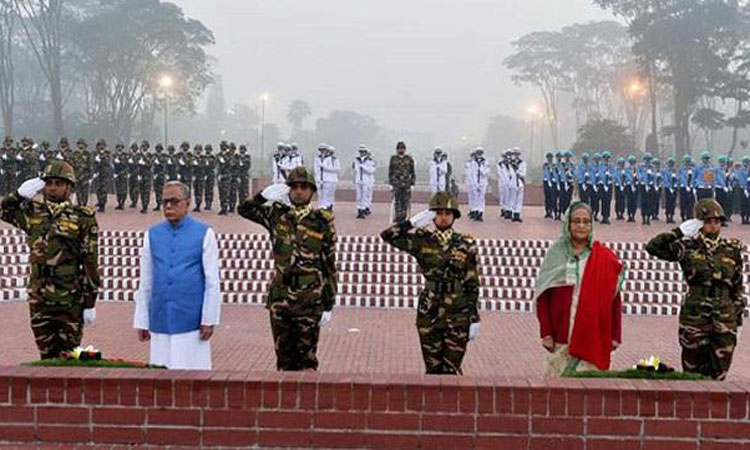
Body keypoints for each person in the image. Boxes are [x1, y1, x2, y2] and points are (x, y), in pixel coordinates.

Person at [238, 166, 337, 371]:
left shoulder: (322, 222)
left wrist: (328, 303)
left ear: (312, 191)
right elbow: (244, 210)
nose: (298, 191)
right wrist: (262, 196)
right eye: (294, 187)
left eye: (304, 187)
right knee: (283, 361)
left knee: (307, 362)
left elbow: (329, 265)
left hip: (309, 300)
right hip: (281, 299)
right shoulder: (277, 215)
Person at [1, 160, 100, 359]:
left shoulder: (82, 217)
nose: (52, 188)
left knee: (68, 356)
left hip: (69, 298)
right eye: (48, 183)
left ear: (69, 187)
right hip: (39, 297)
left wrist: (90, 302)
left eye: (58, 183)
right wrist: (18, 195)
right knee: (46, 355)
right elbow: (4, 210)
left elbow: (90, 261)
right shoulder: (33, 212)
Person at [380, 191, 480, 374]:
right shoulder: (422, 240)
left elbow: (472, 283)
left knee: (451, 369)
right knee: (432, 370)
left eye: (448, 213)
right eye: (438, 213)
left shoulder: (465, 243)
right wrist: (411, 222)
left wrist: (474, 318)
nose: (443, 217)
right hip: (430, 311)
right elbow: (387, 235)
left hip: (458, 312)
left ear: (454, 216)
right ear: (432, 216)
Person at [646, 199, 744, 380]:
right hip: (695, 317)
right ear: (699, 223)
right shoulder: (687, 247)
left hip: (724, 317)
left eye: (717, 221)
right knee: (693, 373)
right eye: (708, 221)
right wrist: (678, 232)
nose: (713, 225)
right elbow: (653, 247)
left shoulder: (731, 248)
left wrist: (737, 319)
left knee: (719, 373)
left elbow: (737, 285)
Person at [133, 181, 220, 370]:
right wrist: (142, 320)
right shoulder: (152, 235)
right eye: (164, 202)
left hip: (192, 320)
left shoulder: (205, 233)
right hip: (160, 318)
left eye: (174, 201)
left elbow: (212, 281)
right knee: (160, 376)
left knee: (192, 376)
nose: (168, 206)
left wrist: (209, 319)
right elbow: (146, 280)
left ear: (187, 203)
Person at [534, 201, 624, 376]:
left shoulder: (604, 257)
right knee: (557, 387)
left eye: (586, 222)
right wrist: (546, 333)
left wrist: (615, 335)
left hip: (593, 337)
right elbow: (544, 297)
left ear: (591, 225)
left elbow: (614, 300)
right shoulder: (555, 254)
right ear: (568, 224)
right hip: (561, 337)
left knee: (590, 388)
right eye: (576, 221)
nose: (581, 226)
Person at [388, 141, 416, 222]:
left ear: (405, 149)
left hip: (406, 183)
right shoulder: (393, 158)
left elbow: (412, 172)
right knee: (397, 200)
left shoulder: (409, 159)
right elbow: (390, 171)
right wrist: (390, 183)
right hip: (396, 183)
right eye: (399, 148)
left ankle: (404, 215)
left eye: (402, 148)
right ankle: (398, 215)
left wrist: (412, 183)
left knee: (405, 200)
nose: (401, 150)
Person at [466, 147, 489, 222]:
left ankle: (480, 213)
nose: (479, 154)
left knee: (481, 198)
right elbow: (472, 174)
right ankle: (475, 212)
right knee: (475, 197)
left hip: (482, 182)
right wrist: (474, 183)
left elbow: (486, 173)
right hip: (474, 183)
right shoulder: (473, 163)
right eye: (478, 153)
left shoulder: (485, 162)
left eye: (480, 153)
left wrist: (481, 168)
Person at [353, 145, 375, 219]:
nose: (362, 153)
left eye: (363, 152)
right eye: (360, 152)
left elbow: (371, 170)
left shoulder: (369, 161)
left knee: (365, 195)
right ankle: (359, 209)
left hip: (366, 180)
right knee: (358, 196)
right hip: (358, 179)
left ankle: (363, 209)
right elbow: (355, 169)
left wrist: (364, 168)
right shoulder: (356, 160)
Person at [542, 152, 557, 219]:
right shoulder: (545, 165)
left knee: (552, 197)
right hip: (546, 182)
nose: (550, 159)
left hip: (553, 182)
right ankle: (547, 211)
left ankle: (551, 211)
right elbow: (545, 172)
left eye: (551, 157)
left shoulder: (554, 165)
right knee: (547, 197)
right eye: (548, 157)